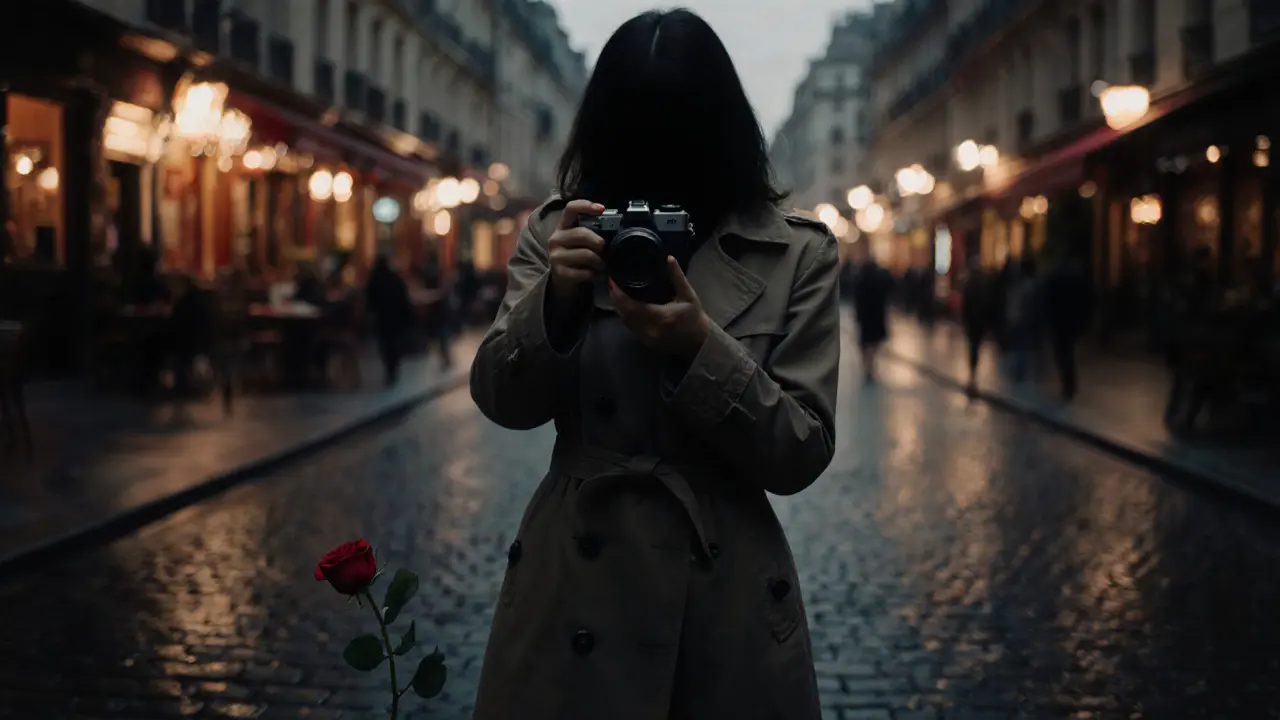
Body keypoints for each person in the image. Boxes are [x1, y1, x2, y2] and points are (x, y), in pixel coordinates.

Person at [469, 10, 839, 719]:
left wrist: (701, 350)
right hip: (575, 588)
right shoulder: (561, 231)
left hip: (722, 595)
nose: (656, 156)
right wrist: (557, 304)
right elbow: (501, 400)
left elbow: (803, 450)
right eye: (636, 133)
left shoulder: (796, 253)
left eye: (677, 131)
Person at [1042, 254, 1093, 401]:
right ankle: (1070, 385)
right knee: (1067, 352)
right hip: (1072, 321)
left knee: (1062, 353)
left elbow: (1048, 299)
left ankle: (1068, 385)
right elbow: (1088, 299)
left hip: (1060, 321)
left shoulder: (1056, 276)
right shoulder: (1079, 277)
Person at [364, 255, 413, 386]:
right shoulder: (395, 278)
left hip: (382, 317)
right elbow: (404, 298)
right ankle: (394, 367)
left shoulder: (374, 279)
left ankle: (389, 368)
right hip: (396, 317)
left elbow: (369, 299)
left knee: (385, 344)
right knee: (394, 342)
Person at [852, 257, 891, 383]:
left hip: (865, 317)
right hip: (876, 317)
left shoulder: (860, 281)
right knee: (874, 343)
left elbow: (857, 300)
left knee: (864, 342)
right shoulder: (879, 281)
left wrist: (857, 315)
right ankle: (870, 366)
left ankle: (867, 367)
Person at [960, 255, 991, 393]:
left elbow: (965, 305)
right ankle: (974, 370)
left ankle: (973, 372)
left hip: (973, 321)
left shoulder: (970, 285)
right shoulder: (984, 285)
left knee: (973, 347)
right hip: (979, 321)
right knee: (976, 346)